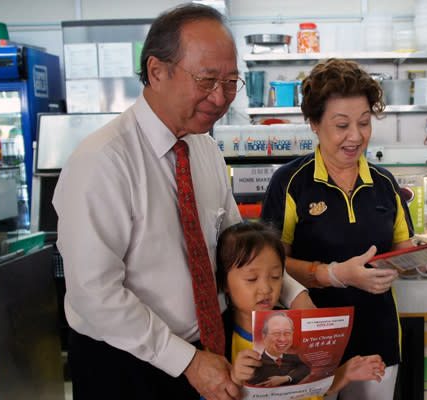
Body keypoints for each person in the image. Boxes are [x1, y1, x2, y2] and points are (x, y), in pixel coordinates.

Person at [52, 4, 312, 400]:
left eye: (230, 82)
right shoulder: (102, 160)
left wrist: (296, 295)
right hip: (125, 363)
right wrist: (186, 361)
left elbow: (241, 249)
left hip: (206, 351)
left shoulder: (204, 149)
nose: (221, 97)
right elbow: (94, 295)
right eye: (207, 80)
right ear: (157, 71)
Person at [260, 58, 427, 399]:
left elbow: (403, 256)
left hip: (377, 340)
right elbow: (271, 267)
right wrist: (335, 274)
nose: (356, 137)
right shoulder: (290, 182)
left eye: (364, 122)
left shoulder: (385, 183)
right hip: (311, 345)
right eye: (341, 125)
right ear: (313, 122)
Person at [215, 222, 386, 398]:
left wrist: (345, 373)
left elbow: (311, 387)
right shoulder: (218, 337)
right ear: (223, 282)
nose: (266, 288)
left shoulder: (300, 328)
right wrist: (234, 378)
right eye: (252, 278)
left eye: (275, 277)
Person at [247, 312, 310, 386]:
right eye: (276, 333)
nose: (282, 339)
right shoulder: (255, 363)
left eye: (287, 333)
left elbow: (305, 368)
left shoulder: (293, 357)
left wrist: (286, 378)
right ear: (264, 336)